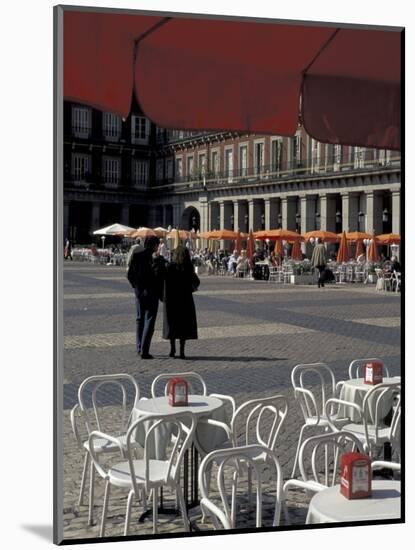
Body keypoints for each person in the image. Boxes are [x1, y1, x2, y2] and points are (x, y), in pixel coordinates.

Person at [127, 236, 163, 359]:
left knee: (139, 319)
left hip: (139, 293)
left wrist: (135, 287)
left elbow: (129, 274)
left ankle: (139, 347)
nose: (158, 247)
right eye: (157, 245)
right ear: (154, 246)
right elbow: (159, 277)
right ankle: (144, 350)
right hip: (151, 294)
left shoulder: (137, 256)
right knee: (149, 320)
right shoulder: (154, 259)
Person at [163, 245, 200, 359]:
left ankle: (172, 349)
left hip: (172, 300)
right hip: (185, 300)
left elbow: (164, 282)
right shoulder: (188, 267)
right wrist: (190, 288)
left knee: (172, 324)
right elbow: (196, 281)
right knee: (183, 325)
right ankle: (182, 350)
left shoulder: (170, 267)